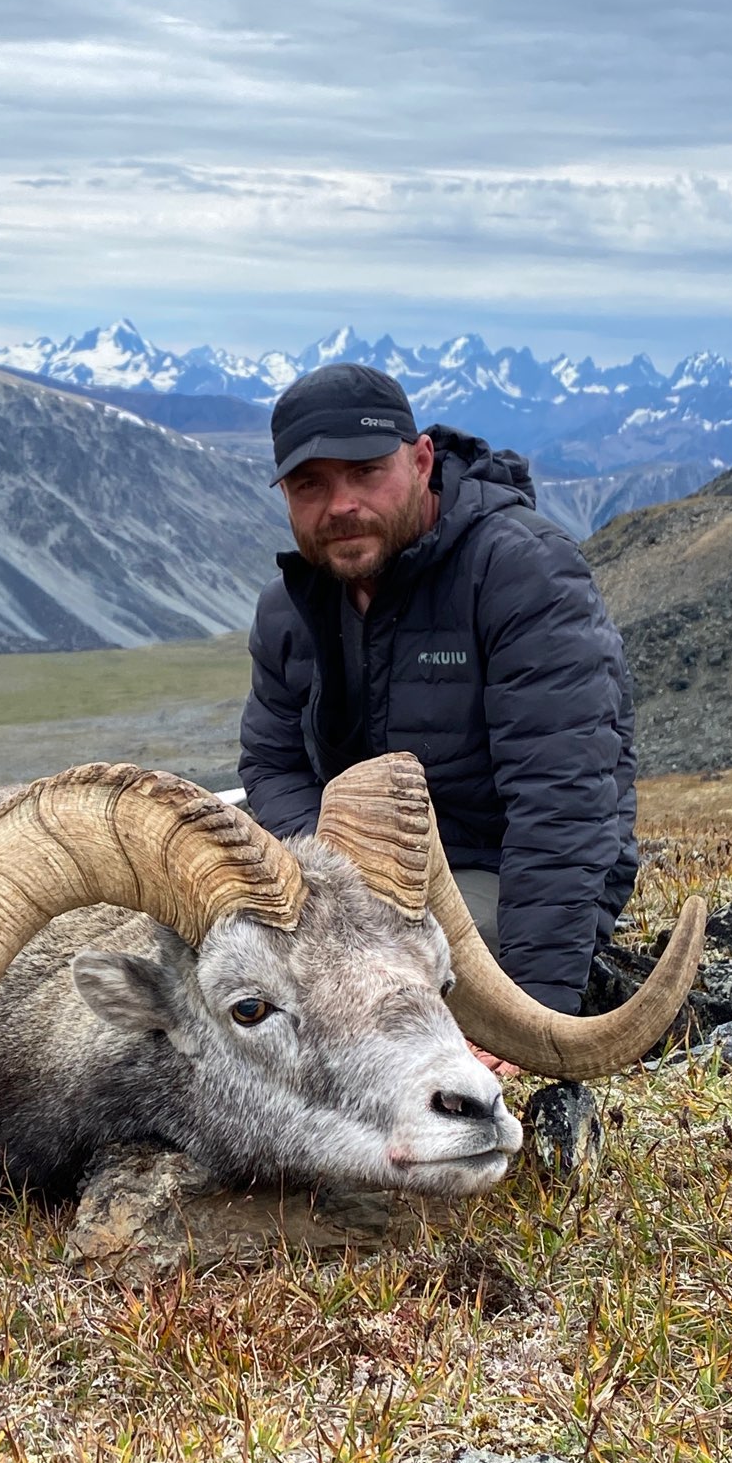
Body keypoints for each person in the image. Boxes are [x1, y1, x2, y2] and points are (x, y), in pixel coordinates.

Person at [238, 362, 637, 1063]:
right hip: (350, 875)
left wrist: (532, 1014)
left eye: (364, 472)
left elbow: (564, 801)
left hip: (495, 873)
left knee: (375, 983)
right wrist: (329, 883)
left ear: (421, 461)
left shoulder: (524, 574)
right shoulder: (289, 609)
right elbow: (272, 764)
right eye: (311, 485)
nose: (340, 505)